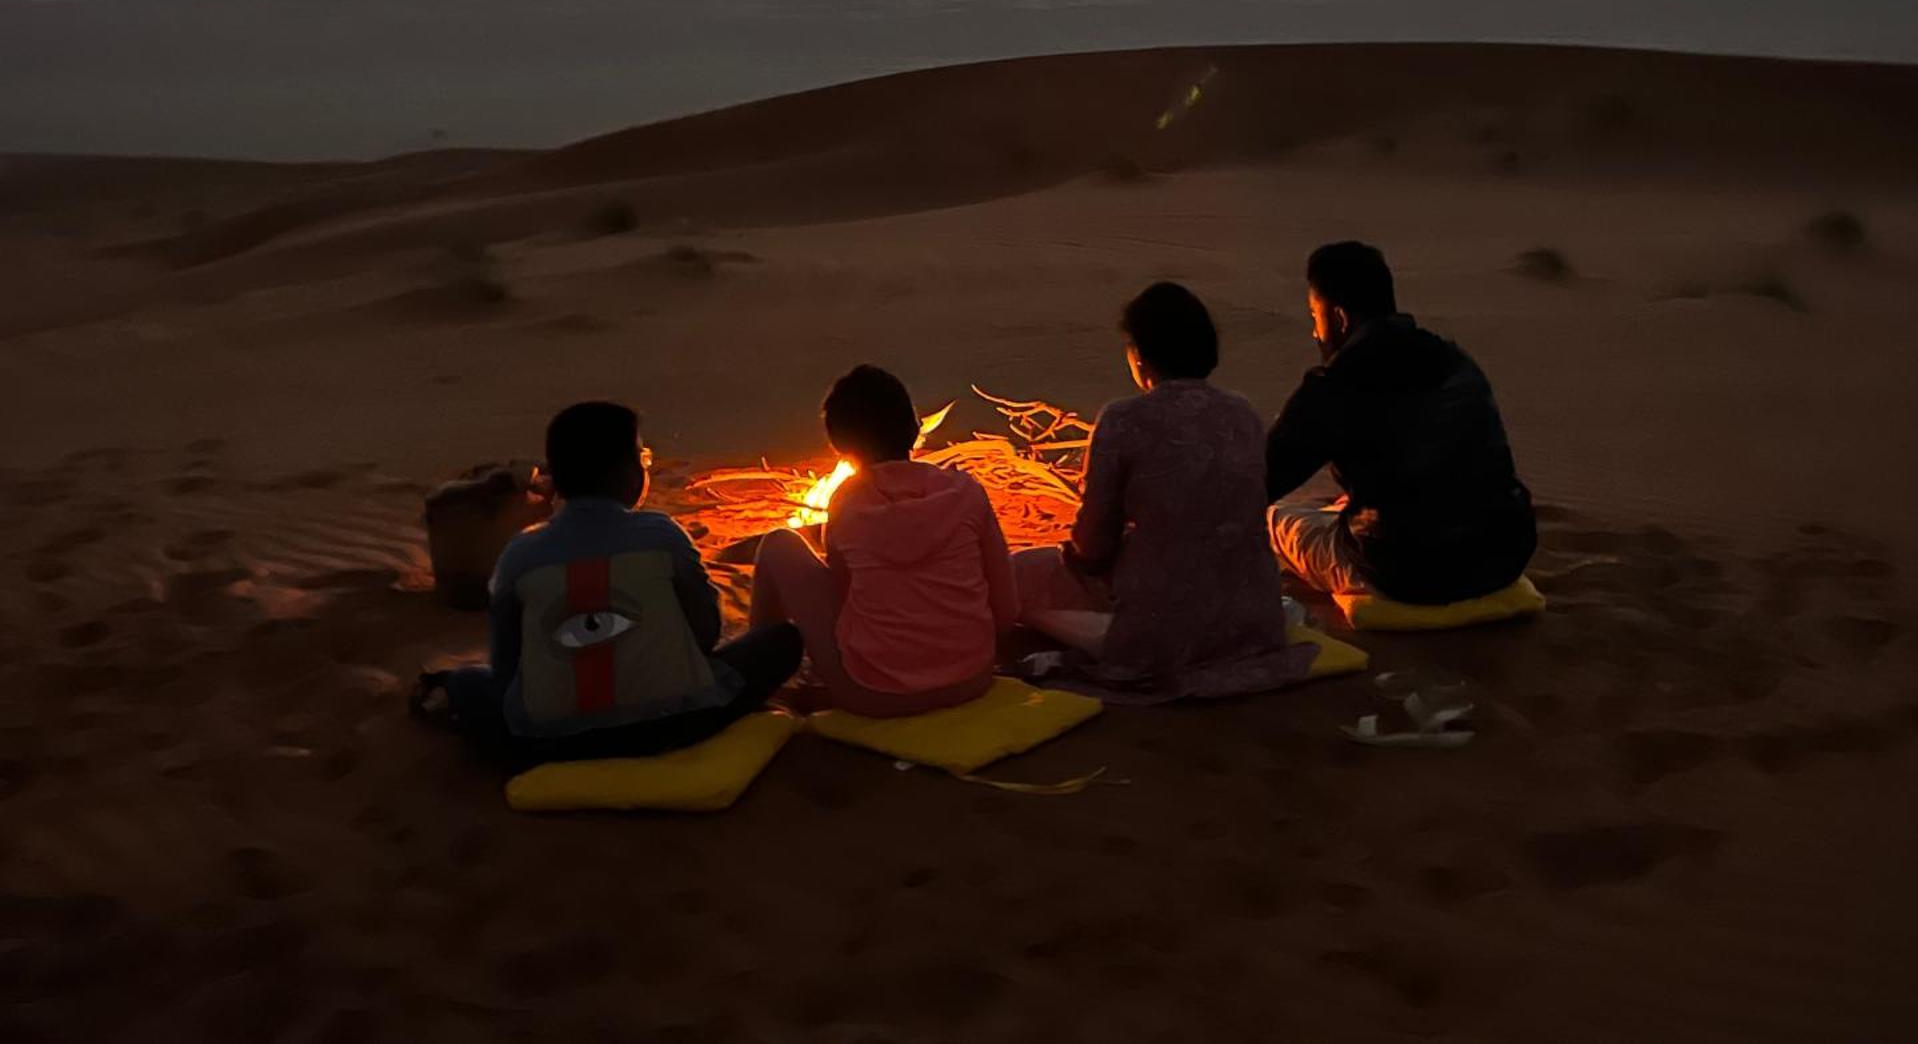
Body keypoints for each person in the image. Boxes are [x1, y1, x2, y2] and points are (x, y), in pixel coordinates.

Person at [425, 401, 802, 770]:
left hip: (549, 740)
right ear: (629, 474)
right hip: (678, 722)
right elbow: (705, 633)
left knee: (467, 683)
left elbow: (508, 667)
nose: (645, 466)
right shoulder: (663, 535)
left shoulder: (519, 555)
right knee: (783, 641)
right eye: (644, 457)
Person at [1013, 282, 1314, 700]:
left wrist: (1083, 559)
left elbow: (1093, 544)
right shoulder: (1241, 412)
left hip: (1162, 633)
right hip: (1254, 622)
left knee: (1015, 576)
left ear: (1139, 354)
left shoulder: (1123, 420)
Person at [1266, 241, 1536, 604]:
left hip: (1404, 572)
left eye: (1316, 317)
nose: (1315, 333)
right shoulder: (1454, 361)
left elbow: (1258, 480)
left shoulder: (1336, 385)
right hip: (1506, 553)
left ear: (1340, 318)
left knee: (1277, 518)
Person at [748, 365, 1019, 717]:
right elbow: (1006, 611)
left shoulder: (847, 502)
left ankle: (759, 673)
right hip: (973, 680)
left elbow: (847, 603)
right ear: (915, 427)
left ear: (839, 445)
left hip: (874, 694)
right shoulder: (967, 492)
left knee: (777, 545)